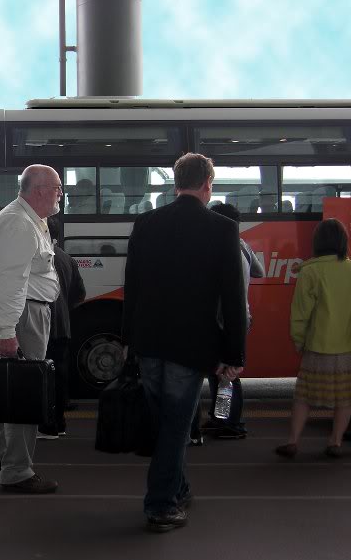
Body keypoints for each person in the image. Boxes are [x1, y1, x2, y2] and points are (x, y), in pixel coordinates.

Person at [122, 152, 247, 533]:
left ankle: (178, 487)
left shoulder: (146, 223)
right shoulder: (222, 229)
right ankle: (160, 506)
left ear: (176, 182)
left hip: (148, 341)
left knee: (166, 422)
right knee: (176, 426)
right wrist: (233, 354)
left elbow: (133, 287)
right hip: (190, 346)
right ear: (207, 183)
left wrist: (129, 341)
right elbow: (232, 299)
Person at [0, 164, 62, 494]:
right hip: (21, 315)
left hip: (21, 313)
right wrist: (8, 330)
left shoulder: (25, 220)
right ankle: (17, 471)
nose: (59, 195)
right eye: (57, 189)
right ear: (38, 191)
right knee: (27, 391)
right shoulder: (19, 224)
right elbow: (11, 280)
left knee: (16, 387)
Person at [276, 218, 351, 459]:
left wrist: (299, 341)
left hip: (317, 347)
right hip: (347, 349)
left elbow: (300, 313)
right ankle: (335, 442)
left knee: (303, 397)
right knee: (344, 399)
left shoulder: (310, 271)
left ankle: (293, 441)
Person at [190, 201, 265, 444]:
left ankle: (231, 422)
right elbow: (260, 272)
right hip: (241, 317)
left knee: (227, 373)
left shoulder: (220, 247)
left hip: (226, 320)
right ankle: (222, 418)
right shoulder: (242, 246)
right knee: (222, 371)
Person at [37, 216, 85, 440]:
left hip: (41, 327)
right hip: (63, 326)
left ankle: (47, 426)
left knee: (42, 377)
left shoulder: (36, 258)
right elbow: (79, 295)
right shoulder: (68, 259)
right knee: (60, 376)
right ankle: (60, 423)